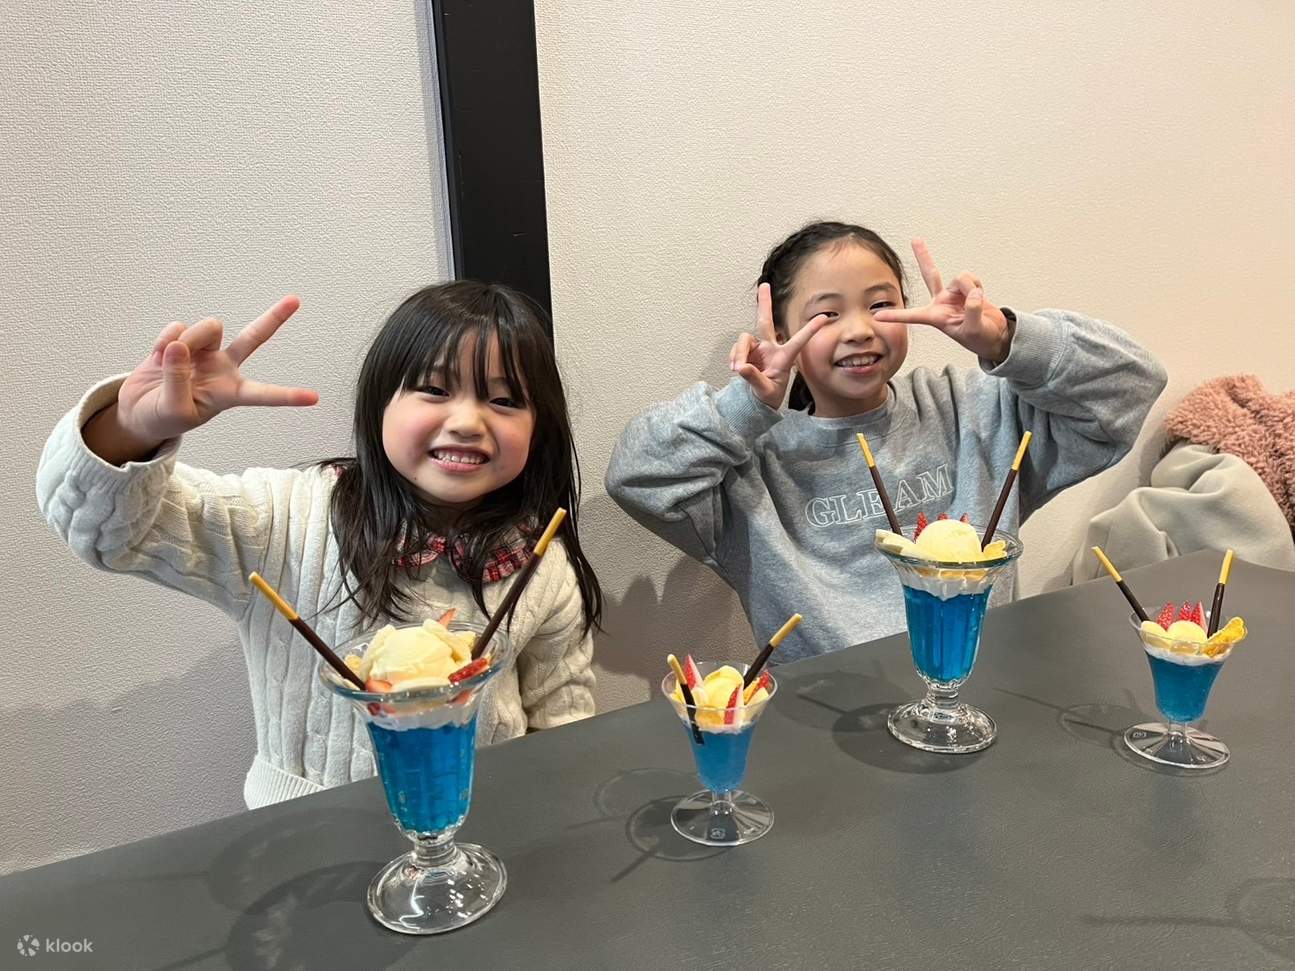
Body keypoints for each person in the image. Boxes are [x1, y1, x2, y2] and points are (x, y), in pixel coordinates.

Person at [37, 281, 602, 808]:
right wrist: (134, 429)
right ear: (379, 402)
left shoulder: (542, 560)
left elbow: (563, 717)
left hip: (484, 820)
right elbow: (109, 533)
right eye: (433, 388)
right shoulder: (286, 516)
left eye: (504, 401)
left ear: (539, 428)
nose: (467, 421)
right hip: (303, 831)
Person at [607, 221, 1166, 661]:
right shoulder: (750, 463)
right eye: (826, 313)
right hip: (822, 721)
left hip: (977, 696)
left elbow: (1132, 386)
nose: (860, 329)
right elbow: (635, 476)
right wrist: (743, 408)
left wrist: (1005, 339)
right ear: (779, 331)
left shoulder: (972, 411)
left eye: (879, 304)